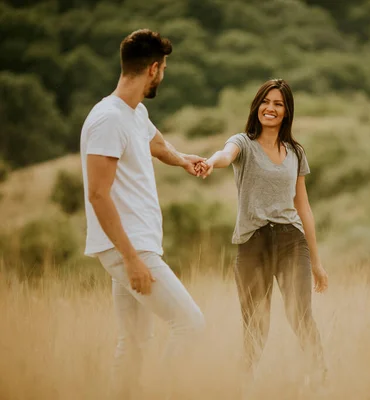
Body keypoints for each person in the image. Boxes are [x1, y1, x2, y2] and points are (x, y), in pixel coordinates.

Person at [80, 29, 206, 399]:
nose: (163, 74)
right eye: (163, 67)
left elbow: (155, 142)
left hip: (135, 244)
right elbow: (98, 194)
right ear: (154, 69)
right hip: (128, 247)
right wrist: (132, 258)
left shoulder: (134, 113)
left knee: (134, 341)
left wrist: (184, 160)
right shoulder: (108, 119)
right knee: (190, 325)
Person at [196, 79, 329, 384]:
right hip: (252, 242)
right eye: (266, 102)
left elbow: (303, 207)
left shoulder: (295, 152)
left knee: (301, 317)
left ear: (286, 112)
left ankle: (321, 382)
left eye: (278, 104)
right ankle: (242, 386)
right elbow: (223, 155)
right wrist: (209, 163)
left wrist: (317, 263)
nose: (271, 108)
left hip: (290, 240)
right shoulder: (242, 143)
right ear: (257, 106)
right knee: (256, 325)